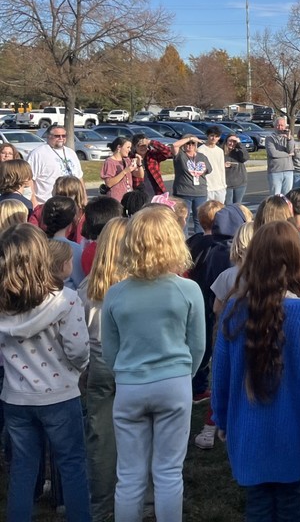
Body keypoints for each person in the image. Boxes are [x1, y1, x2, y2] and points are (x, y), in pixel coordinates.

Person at [213, 221, 300, 520]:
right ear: (296, 261)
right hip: (291, 432)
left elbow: (221, 374)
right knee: (290, 503)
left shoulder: (233, 310)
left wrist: (221, 417)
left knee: (258, 505)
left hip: (246, 429)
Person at [101, 205, 206, 521]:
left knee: (130, 475)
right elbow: (198, 345)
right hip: (174, 383)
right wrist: (183, 376)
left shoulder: (116, 293)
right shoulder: (188, 289)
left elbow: (110, 350)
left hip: (130, 385)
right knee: (168, 472)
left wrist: (125, 374)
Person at [0, 223, 91, 522]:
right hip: (60, 396)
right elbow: (78, 349)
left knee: (23, 470)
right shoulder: (65, 299)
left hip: (16, 398)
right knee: (73, 466)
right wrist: (78, 370)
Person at [80, 216, 130, 521]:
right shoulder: (133, 286)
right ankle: (142, 501)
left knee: (100, 436)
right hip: (128, 361)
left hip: (98, 362)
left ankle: (100, 506)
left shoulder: (88, 286)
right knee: (138, 432)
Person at [26, 123, 83, 203]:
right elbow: (29, 180)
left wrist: (83, 199)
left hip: (71, 204)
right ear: (49, 136)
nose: (61, 138)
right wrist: (34, 203)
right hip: (46, 203)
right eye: (57, 136)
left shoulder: (71, 153)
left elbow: (79, 177)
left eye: (64, 136)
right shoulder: (38, 153)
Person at [172, 136, 210, 236]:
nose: (190, 145)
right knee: (183, 218)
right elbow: (175, 145)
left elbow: (209, 170)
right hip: (183, 192)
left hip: (200, 192)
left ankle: (199, 241)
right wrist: (190, 138)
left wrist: (198, 171)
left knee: (200, 219)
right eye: (188, 143)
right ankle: (184, 242)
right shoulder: (181, 155)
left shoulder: (202, 157)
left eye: (193, 143)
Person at [102, 136, 139, 203]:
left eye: (130, 148)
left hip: (128, 199)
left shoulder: (127, 160)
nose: (130, 150)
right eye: (128, 147)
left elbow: (140, 175)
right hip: (116, 200)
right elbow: (109, 183)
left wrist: (139, 164)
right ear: (119, 147)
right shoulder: (110, 162)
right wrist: (125, 171)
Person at [265, 117, 296, 196]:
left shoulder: (289, 138)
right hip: (275, 171)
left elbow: (291, 150)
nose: (280, 127)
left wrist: (289, 139)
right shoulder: (269, 138)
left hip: (288, 170)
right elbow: (273, 154)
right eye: (278, 125)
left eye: (282, 125)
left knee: (287, 196)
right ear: (274, 126)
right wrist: (288, 155)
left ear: (285, 126)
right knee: (275, 196)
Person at [223, 133, 249, 204]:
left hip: (240, 183)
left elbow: (246, 157)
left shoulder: (239, 151)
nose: (232, 143)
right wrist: (222, 165)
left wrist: (240, 144)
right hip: (227, 184)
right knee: (228, 205)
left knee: (237, 205)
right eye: (230, 141)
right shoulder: (221, 152)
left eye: (234, 141)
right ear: (226, 141)